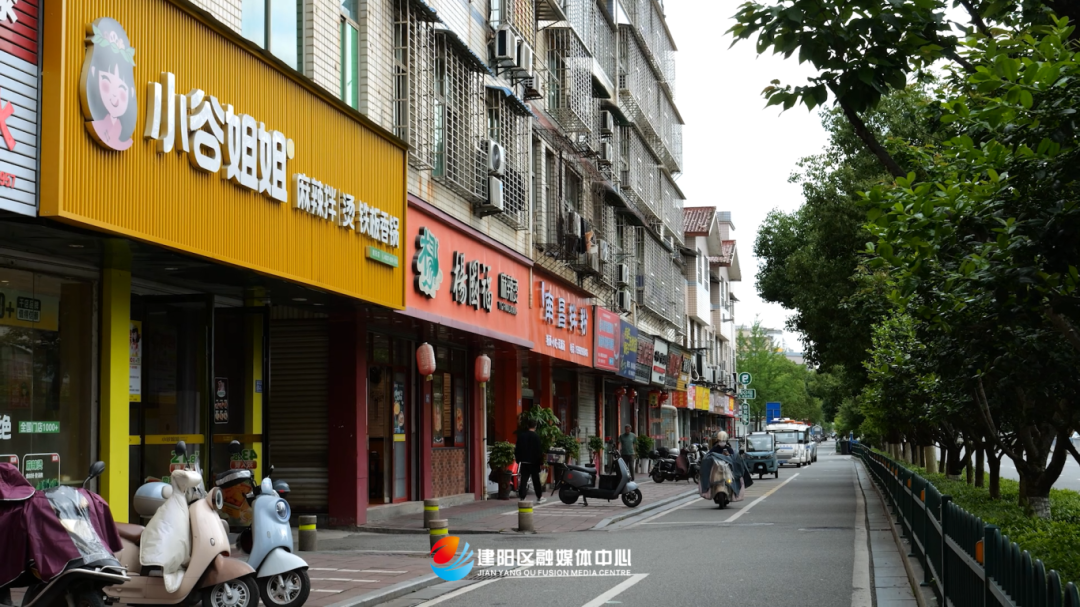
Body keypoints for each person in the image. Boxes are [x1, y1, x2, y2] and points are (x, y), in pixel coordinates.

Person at [515, 419, 544, 503]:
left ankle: (522, 497)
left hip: (524, 461)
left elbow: (517, 449)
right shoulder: (536, 437)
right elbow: (539, 450)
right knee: (536, 480)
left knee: (524, 479)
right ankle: (539, 497)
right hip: (534, 462)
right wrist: (541, 462)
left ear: (527, 426)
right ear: (535, 426)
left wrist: (518, 459)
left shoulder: (521, 436)